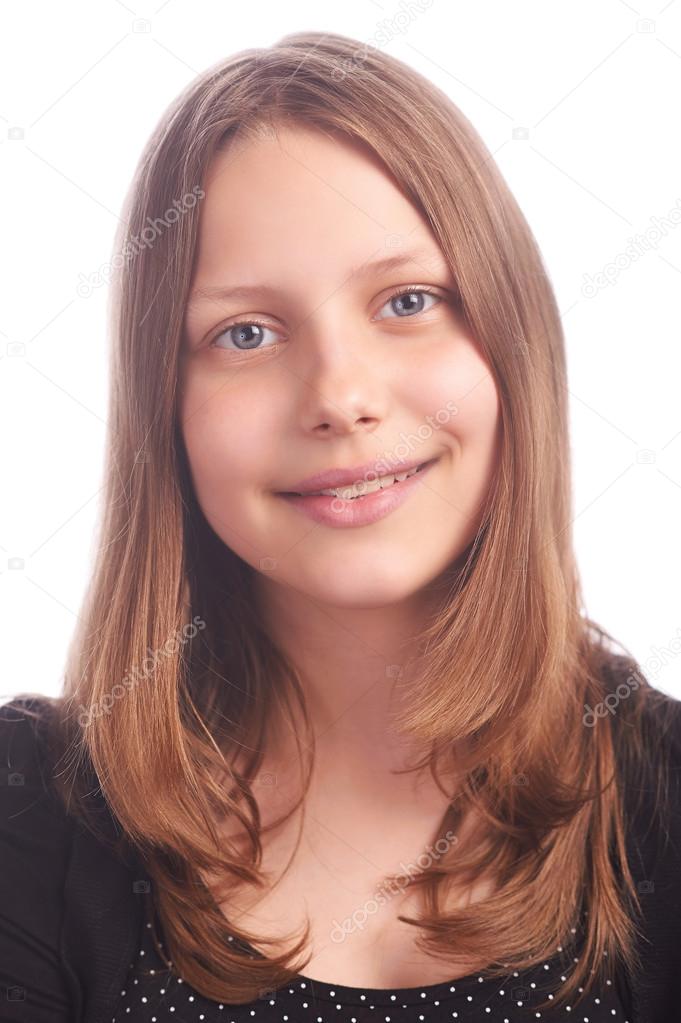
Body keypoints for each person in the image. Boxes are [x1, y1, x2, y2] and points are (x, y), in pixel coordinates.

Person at [1, 30, 680, 1023]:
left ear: (509, 341)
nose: (341, 396)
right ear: (166, 408)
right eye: (246, 333)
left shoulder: (659, 811)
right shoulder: (32, 819)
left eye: (408, 300)